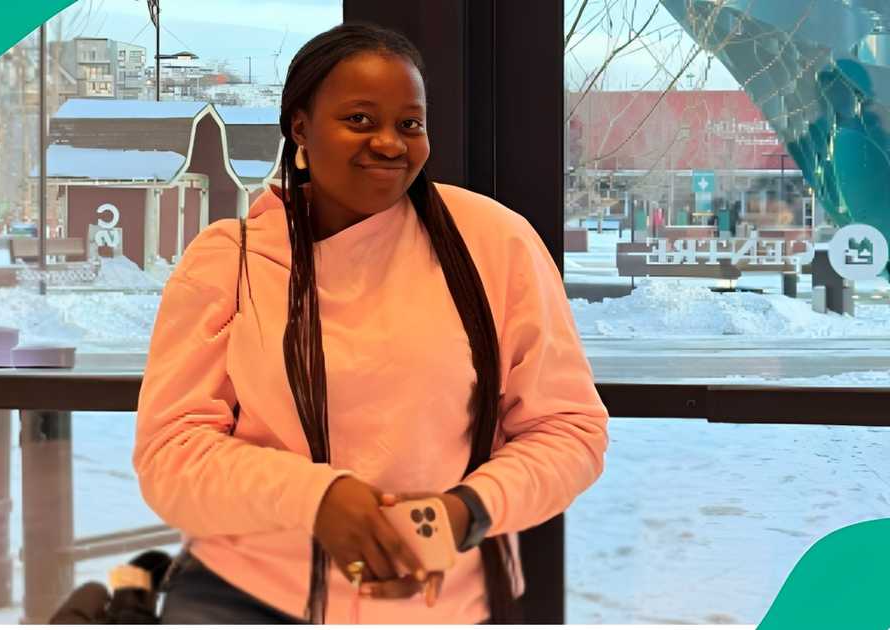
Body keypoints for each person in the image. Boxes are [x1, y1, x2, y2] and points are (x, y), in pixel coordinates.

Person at [134, 23, 609, 625]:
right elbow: (171, 456)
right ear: (300, 127)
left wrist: (465, 512)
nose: (389, 143)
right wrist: (317, 498)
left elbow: (568, 430)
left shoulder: (495, 243)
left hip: (439, 604)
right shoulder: (231, 259)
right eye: (359, 119)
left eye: (410, 124)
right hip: (245, 598)